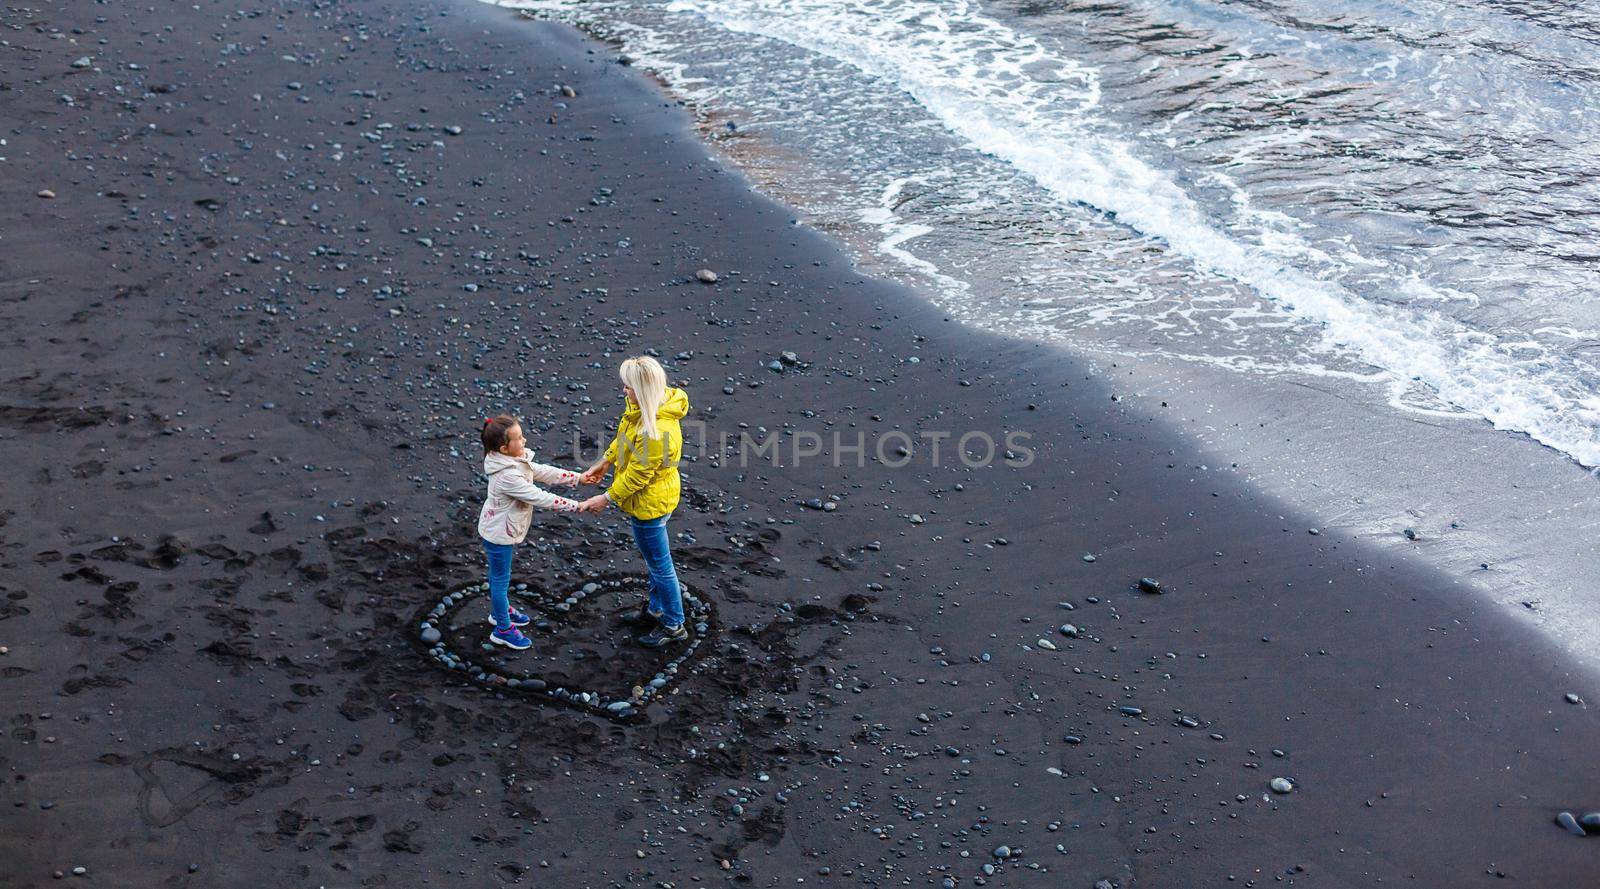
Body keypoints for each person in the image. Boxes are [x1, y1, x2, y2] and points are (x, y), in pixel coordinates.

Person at [578, 356, 691, 648]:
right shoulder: (645, 409)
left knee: (660, 565)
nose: (624, 391)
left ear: (642, 389)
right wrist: (606, 461)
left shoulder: (657, 432)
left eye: (628, 387)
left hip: (650, 505)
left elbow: (638, 477)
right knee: (656, 561)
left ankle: (674, 623)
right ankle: (655, 610)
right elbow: (625, 438)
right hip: (655, 498)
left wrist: (606, 497)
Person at [478, 415, 583, 651]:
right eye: (519, 438)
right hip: (498, 534)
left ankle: (500, 612)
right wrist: (576, 506)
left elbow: (542, 471)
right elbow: (539, 496)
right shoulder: (507, 476)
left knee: (499, 577)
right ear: (505, 448)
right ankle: (502, 628)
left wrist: (578, 478)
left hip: (500, 527)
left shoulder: (511, 460)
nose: (524, 440)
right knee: (500, 580)